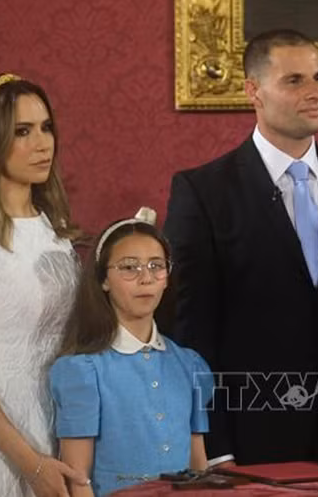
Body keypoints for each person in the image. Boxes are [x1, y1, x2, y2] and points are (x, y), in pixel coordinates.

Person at [162, 29, 318, 465]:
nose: (315, 93)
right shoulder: (203, 191)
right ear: (253, 91)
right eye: (295, 81)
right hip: (254, 438)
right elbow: (193, 331)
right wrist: (214, 448)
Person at [0, 73, 87, 496]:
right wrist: (31, 464)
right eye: (22, 131)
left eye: (46, 128)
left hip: (51, 426)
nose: (43, 143)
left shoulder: (51, 231)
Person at [51, 208, 214, 497]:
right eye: (129, 267)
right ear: (103, 279)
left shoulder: (189, 365)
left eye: (156, 266)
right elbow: (77, 479)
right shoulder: (82, 370)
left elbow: (198, 466)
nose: (146, 278)